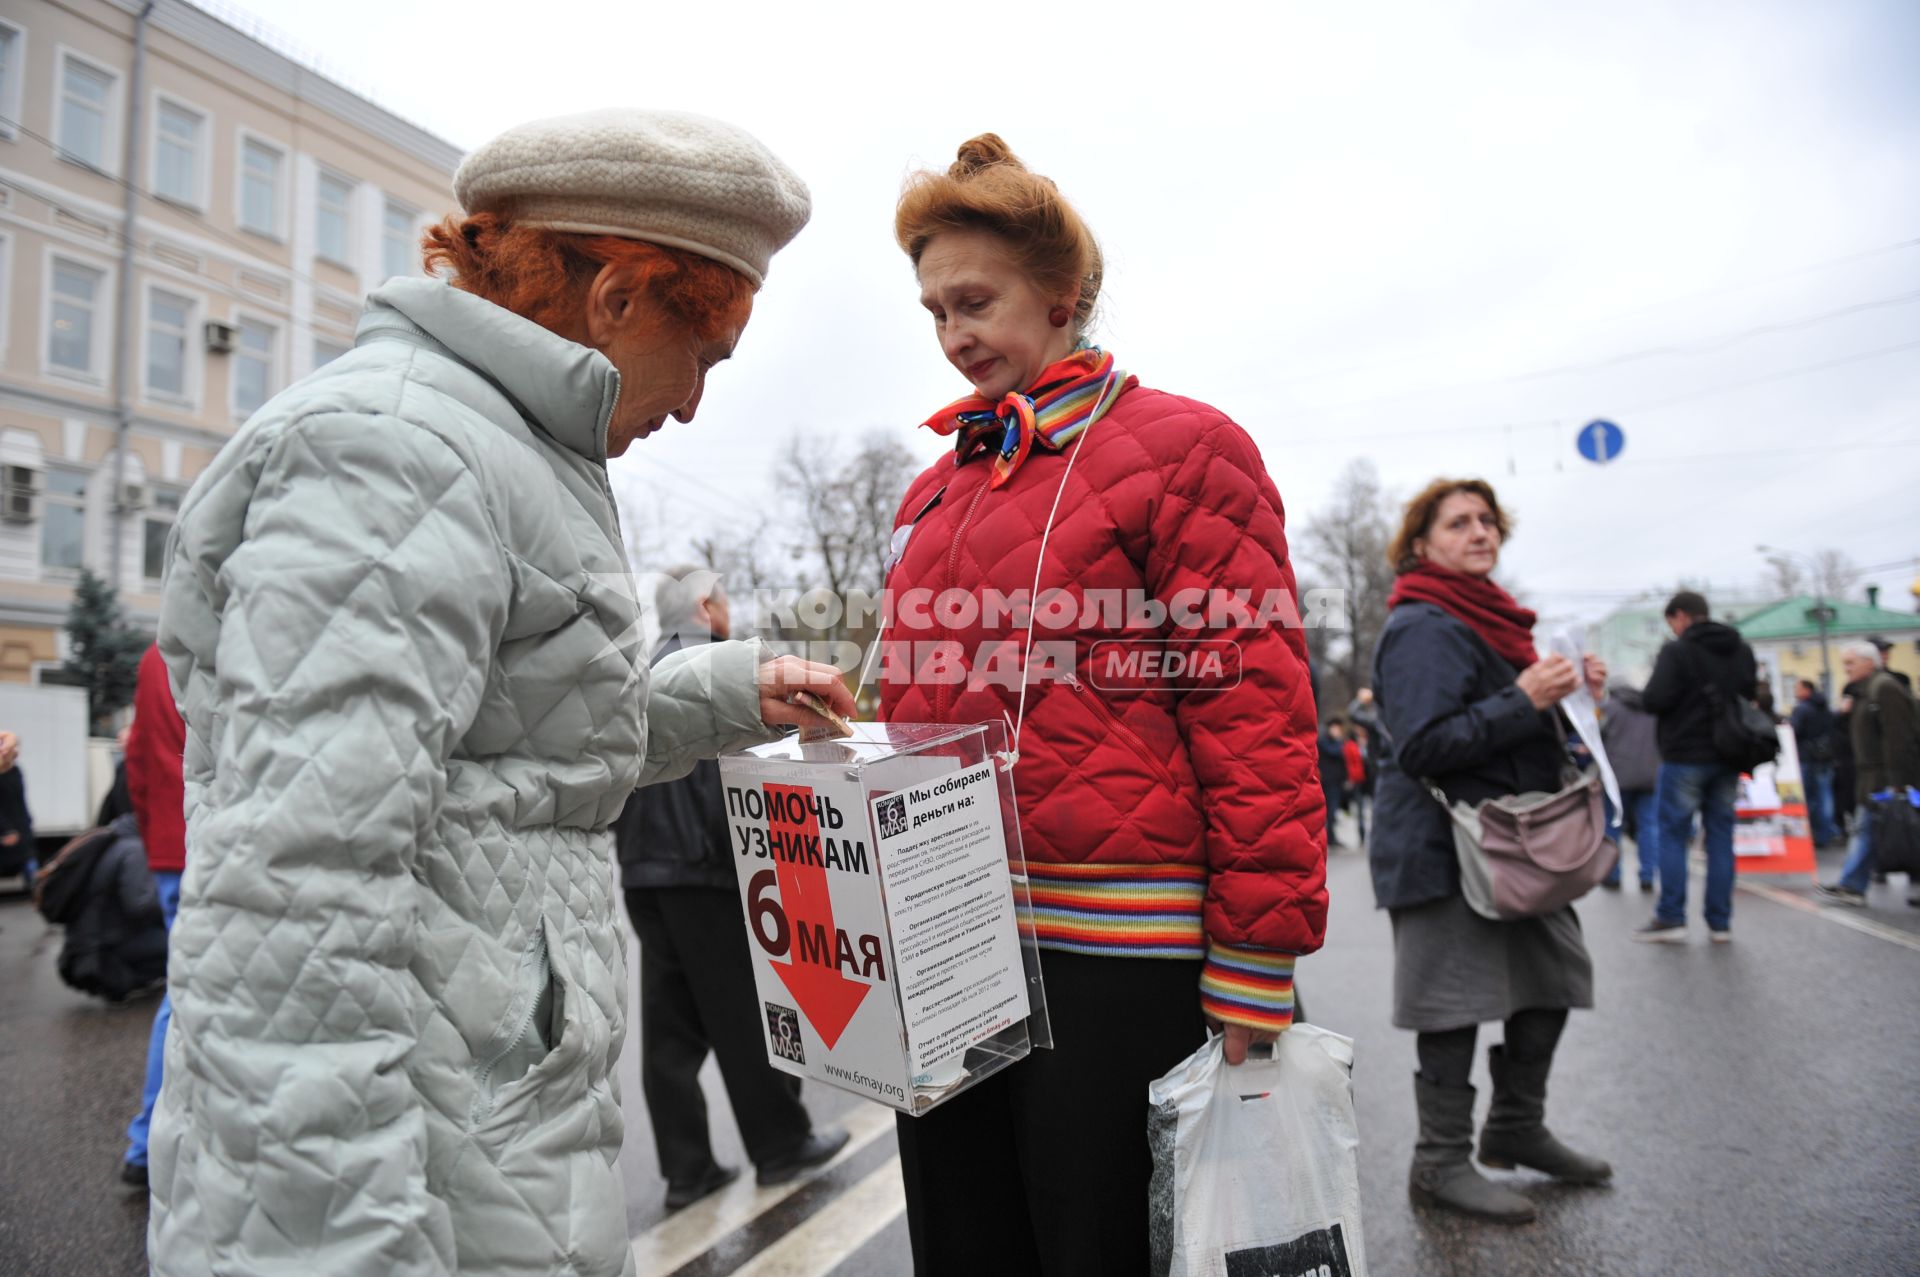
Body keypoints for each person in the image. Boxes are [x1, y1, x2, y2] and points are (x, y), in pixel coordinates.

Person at [146, 110, 855, 1277]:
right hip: (426, 1161)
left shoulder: (487, 446)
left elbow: (514, 748)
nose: (690, 407)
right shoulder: (397, 450)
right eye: (706, 357)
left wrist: (734, 687)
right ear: (618, 298)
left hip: (483, 1120)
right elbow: (295, 900)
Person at [878, 133, 1326, 1275]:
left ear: (1062, 290)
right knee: (968, 1244)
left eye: (974, 300)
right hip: (948, 937)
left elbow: (1253, 710)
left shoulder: (1185, 449)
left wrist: (1257, 954)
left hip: (1121, 955)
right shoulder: (936, 486)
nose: (952, 334)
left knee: (1105, 1245)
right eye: (934, 310)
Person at [1369, 477, 1611, 1225]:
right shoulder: (1423, 625)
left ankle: (1515, 1126)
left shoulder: (1493, 623)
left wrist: (1570, 699)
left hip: (1513, 842)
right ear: (1421, 544)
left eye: (1487, 521)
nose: (1480, 533)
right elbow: (1423, 743)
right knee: (1454, 1005)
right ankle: (1439, 1161)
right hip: (1446, 845)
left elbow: (1504, 725)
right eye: (1458, 523)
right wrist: (1526, 696)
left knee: (1552, 981)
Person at [617, 566, 848, 1211]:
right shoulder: (710, 670)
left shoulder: (643, 672)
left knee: (670, 1028)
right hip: (704, 869)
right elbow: (727, 782)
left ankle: (688, 1170)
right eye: (719, 599)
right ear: (702, 606)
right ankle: (781, 1147)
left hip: (643, 872)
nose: (725, 609)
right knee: (748, 1013)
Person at [1634, 592, 1760, 943]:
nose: (1672, 629)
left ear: (1682, 617)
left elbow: (1654, 700)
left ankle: (1672, 917)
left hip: (1685, 756)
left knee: (1674, 835)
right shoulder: (1741, 648)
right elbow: (1750, 693)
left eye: (1671, 621)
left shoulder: (1677, 651)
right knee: (1721, 836)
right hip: (1730, 754)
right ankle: (1720, 923)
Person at [120, 643, 188, 1190]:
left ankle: (144, 1147)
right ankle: (150, 1145)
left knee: (180, 993)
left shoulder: (151, 658)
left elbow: (137, 759)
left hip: (172, 846)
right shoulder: (229, 628)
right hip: (214, 842)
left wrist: (155, 840)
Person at [1816, 641, 1920, 906]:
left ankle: (1852, 884)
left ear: (1869, 662)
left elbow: (1899, 737)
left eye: (1851, 663)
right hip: (1872, 776)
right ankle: (1852, 884)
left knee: (1881, 829)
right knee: (1869, 829)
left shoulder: (1883, 688)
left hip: (1885, 777)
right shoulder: (1866, 691)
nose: (1846, 669)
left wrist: (1899, 782)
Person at [55, 811, 168, 1001]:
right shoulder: (134, 850)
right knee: (182, 941)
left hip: (85, 942)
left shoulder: (112, 841)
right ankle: (127, 980)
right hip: (107, 945)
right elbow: (141, 906)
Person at [1598, 682, 1661, 891]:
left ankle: (1613, 874)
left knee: (1613, 824)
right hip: (1649, 775)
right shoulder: (1653, 709)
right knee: (1648, 826)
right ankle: (1648, 875)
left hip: (1617, 777)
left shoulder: (1610, 708)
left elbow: (1597, 735)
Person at [1791, 677, 1841, 847]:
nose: (1795, 692)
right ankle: (1827, 832)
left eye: (1797, 688)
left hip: (1807, 757)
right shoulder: (1825, 708)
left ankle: (1815, 833)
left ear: (1807, 690)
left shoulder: (1802, 709)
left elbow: (1794, 732)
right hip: (1826, 756)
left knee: (1811, 797)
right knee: (1826, 796)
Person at [0, 730, 30, 881]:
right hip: (8, 829)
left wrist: (27, 823)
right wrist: (6, 830)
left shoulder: (16, 771)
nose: (16, 752)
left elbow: (21, 802)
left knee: (30, 865)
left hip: (21, 828)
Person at [1319, 720, 1351, 848]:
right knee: (1329, 811)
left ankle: (1331, 837)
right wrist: (1340, 743)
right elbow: (1335, 751)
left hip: (1336, 780)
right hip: (1328, 781)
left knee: (1333, 811)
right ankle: (1328, 837)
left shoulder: (1334, 742)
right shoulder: (1324, 741)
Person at [1345, 724, 1372, 844]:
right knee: (1360, 809)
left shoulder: (1370, 742)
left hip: (1369, 779)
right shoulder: (1350, 745)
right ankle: (1362, 835)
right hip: (1358, 780)